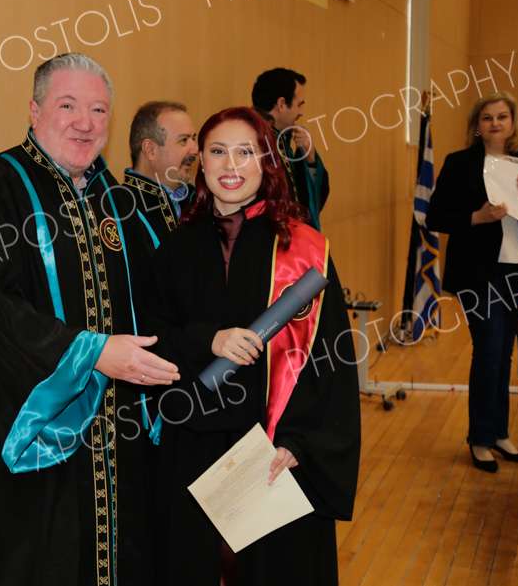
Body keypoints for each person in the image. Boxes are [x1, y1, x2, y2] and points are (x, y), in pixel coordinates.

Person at [0, 52, 180, 586]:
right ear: (34, 111)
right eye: (68, 106)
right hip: (14, 438)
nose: (85, 123)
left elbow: (157, 296)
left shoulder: (115, 201)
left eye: (98, 110)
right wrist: (93, 352)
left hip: (107, 438)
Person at [140, 107, 360, 585]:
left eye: (246, 152)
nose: (231, 165)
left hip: (272, 447)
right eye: (218, 151)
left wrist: (300, 443)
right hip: (193, 442)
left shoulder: (301, 249)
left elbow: (331, 360)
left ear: (267, 162)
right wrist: (209, 339)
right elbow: (151, 335)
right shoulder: (176, 248)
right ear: (201, 162)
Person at [427, 91, 518, 473]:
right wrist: (476, 218)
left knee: (505, 353)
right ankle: (480, 439)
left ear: (512, 124)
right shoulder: (459, 163)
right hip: (478, 274)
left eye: (502, 117)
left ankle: (499, 434)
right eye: (487, 118)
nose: (495, 123)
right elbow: (435, 217)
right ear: (477, 126)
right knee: (488, 349)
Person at [252, 67, 329, 229]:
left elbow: (302, 199)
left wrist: (309, 159)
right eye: (299, 104)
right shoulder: (253, 141)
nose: (301, 112)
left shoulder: (281, 139)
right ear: (281, 104)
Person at [123, 101, 198, 249]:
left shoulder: (198, 199)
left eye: (194, 139)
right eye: (184, 140)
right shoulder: (119, 208)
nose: (195, 149)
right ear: (150, 150)